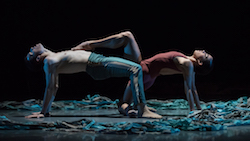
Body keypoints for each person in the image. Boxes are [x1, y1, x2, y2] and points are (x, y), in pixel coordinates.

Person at [71, 31, 213, 114]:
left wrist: (193, 111)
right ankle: (129, 107)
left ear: (200, 62)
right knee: (127, 36)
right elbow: (193, 90)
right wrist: (198, 110)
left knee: (127, 36)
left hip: (142, 70)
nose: (204, 51)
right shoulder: (188, 65)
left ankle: (89, 45)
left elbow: (189, 89)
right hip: (147, 75)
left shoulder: (188, 64)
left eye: (205, 55)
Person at [24, 43, 162, 119]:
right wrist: (43, 112)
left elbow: (52, 85)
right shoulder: (49, 61)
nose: (31, 48)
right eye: (31, 52)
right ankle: (142, 109)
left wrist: (46, 112)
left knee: (136, 69)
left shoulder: (53, 56)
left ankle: (139, 106)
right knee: (136, 69)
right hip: (96, 64)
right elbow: (52, 86)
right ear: (37, 59)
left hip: (96, 62)